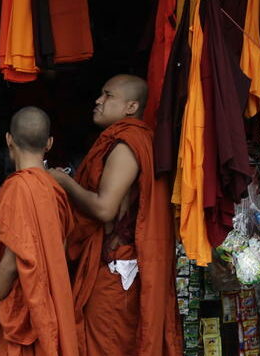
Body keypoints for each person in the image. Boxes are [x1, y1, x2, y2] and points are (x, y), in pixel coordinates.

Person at [48, 75, 181, 356]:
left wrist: (63, 182)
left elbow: (105, 208)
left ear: (131, 107)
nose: (98, 101)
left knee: (106, 344)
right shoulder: (131, 140)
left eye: (108, 95)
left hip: (115, 270)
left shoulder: (126, 145)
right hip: (117, 264)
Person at [0, 107, 78, 356]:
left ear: (8, 139)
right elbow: (61, 247)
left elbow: (13, 260)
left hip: (22, 305)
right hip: (52, 299)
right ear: (49, 143)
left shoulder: (17, 188)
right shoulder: (55, 187)